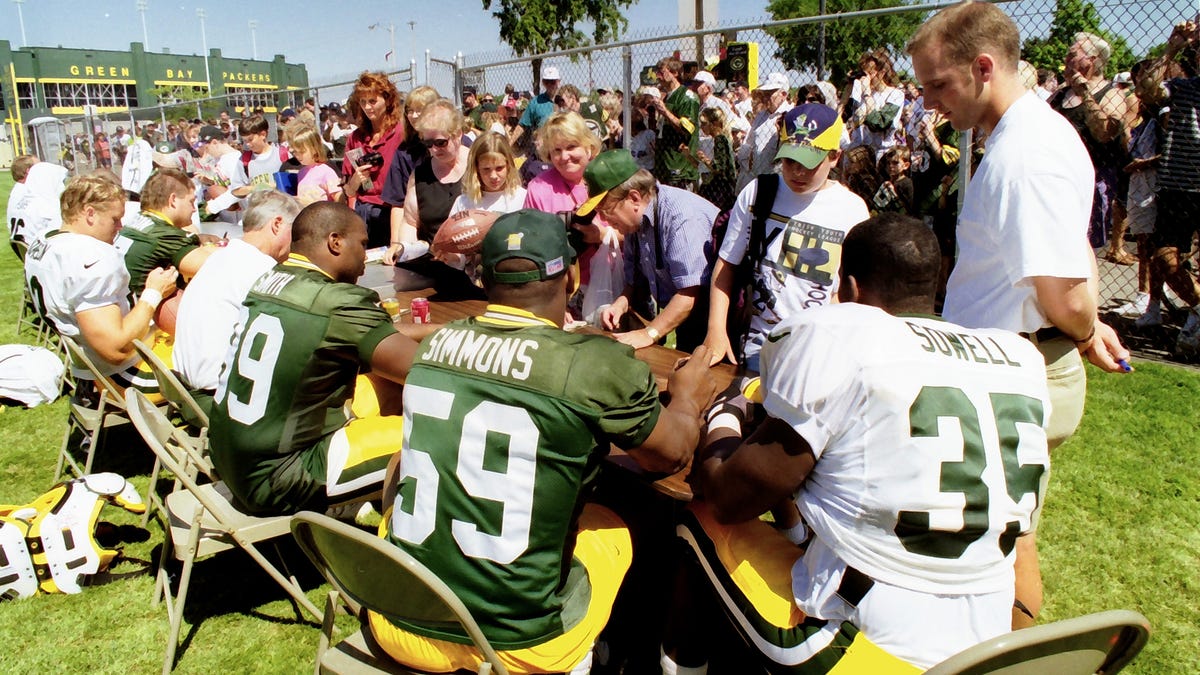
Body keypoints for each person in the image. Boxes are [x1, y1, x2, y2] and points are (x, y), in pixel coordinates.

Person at [667, 214, 1051, 672]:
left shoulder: (841, 333)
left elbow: (729, 496)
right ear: (937, 282)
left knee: (698, 521)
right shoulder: (1018, 358)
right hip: (984, 641)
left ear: (847, 288)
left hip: (870, 638)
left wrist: (725, 416)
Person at [369, 208, 718, 675]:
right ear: (571, 277)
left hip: (397, 621)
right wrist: (689, 396)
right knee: (627, 521)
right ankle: (622, 655)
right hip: (517, 645)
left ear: (483, 278)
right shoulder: (592, 364)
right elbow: (671, 453)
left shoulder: (432, 349)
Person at [908, 0, 1132, 630]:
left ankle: (1017, 653)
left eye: (938, 85)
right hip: (1012, 359)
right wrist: (1084, 324)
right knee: (993, 532)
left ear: (983, 67)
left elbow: (1059, 288)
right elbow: (1072, 255)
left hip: (1017, 368)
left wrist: (1082, 325)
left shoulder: (1027, 152)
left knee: (1004, 538)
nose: (929, 103)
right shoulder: (1017, 136)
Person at [208, 202, 425, 516]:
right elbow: (424, 372)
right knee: (436, 433)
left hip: (234, 455)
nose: (366, 257)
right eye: (363, 244)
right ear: (335, 242)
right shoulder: (335, 300)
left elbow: (364, 332)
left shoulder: (271, 280)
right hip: (282, 474)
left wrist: (444, 328)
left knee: (384, 387)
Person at [703, 103, 870, 372]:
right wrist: (716, 331)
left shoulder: (851, 209)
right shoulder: (758, 192)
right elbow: (726, 264)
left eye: (809, 163)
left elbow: (852, 290)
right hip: (761, 341)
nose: (797, 172)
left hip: (819, 347)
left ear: (835, 156)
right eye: (790, 160)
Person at [23, 175, 177, 391]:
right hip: (124, 376)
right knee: (211, 357)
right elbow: (116, 350)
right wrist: (153, 293)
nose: (120, 227)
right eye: (115, 219)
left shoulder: (45, 240)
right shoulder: (91, 255)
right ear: (90, 213)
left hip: (88, 371)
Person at [576, 149, 717, 351]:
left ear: (634, 198)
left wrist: (649, 333)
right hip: (687, 318)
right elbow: (635, 280)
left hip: (717, 321)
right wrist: (620, 304)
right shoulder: (637, 223)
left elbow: (690, 293)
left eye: (606, 211)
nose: (604, 220)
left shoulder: (683, 218)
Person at [174, 191, 300, 411]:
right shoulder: (259, 270)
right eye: (295, 232)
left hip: (188, 394)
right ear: (277, 224)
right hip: (221, 399)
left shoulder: (220, 258)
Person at [1133, 17, 1200, 350]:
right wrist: (1171, 48)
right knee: (1164, 258)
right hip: (1179, 187)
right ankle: (1199, 310)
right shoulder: (1184, 87)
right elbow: (1145, 89)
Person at [384, 99, 480, 297]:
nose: (435, 149)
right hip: (437, 269)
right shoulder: (420, 175)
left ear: (458, 135)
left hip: (477, 270)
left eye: (441, 142)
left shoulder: (478, 165)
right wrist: (407, 250)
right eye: (429, 143)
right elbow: (410, 221)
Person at [1049, 33, 1131, 256]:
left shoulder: (1112, 93)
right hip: (1055, 179)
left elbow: (1105, 133)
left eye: (1073, 54)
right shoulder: (1059, 94)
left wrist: (1084, 93)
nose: (1066, 58)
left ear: (1092, 59)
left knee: (1081, 253)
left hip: (1091, 181)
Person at [116, 168, 211, 296]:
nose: (194, 209)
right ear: (173, 200)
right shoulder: (163, 235)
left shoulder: (140, 219)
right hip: (143, 310)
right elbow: (216, 264)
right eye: (191, 201)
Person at [342, 71, 406, 247]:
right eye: (363, 102)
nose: (368, 107)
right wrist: (355, 181)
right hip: (363, 213)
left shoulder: (401, 134)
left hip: (393, 213)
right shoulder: (355, 138)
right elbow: (348, 190)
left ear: (387, 100)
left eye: (373, 101)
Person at [649, 57, 700, 190]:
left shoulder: (687, 97)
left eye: (662, 72)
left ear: (675, 73)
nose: (658, 76)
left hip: (679, 167)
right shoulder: (666, 96)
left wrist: (665, 112)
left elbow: (687, 128)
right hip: (663, 164)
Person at [845, 50, 907, 159]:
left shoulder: (895, 94)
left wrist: (867, 94)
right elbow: (843, 117)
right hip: (858, 151)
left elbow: (879, 124)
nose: (866, 77)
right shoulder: (862, 92)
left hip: (881, 153)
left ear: (882, 73)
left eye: (869, 73)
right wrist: (847, 91)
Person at [449, 132, 527, 214]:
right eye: (486, 169)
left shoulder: (522, 198)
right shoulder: (463, 203)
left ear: (508, 165)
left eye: (499, 168)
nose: (493, 176)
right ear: (476, 168)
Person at [195, 124, 251, 239]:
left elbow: (238, 190)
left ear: (215, 142)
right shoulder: (221, 159)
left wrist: (213, 206)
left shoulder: (233, 160)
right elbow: (225, 182)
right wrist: (209, 181)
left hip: (241, 216)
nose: (207, 152)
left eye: (207, 148)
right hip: (230, 218)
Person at [745, 72, 793, 182]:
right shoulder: (761, 115)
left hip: (779, 178)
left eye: (770, 93)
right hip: (758, 176)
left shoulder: (790, 115)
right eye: (764, 93)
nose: (765, 97)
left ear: (783, 94)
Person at [287, 122, 343, 205]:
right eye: (295, 152)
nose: (298, 156)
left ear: (314, 149)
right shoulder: (301, 173)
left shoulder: (326, 171)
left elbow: (339, 199)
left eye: (302, 152)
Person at [694, 107, 738, 211]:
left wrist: (704, 159)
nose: (701, 127)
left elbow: (718, 168)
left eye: (704, 124)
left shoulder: (720, 139)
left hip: (722, 188)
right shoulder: (720, 138)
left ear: (714, 124)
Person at [510, 65, 561, 152]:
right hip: (543, 148)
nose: (549, 85)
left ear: (558, 82)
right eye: (546, 82)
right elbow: (522, 124)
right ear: (543, 82)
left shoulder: (565, 99)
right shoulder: (536, 102)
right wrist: (509, 144)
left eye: (552, 82)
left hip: (561, 145)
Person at [238, 114, 290, 189]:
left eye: (250, 139)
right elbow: (238, 188)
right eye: (244, 140)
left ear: (263, 134)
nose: (248, 144)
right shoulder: (244, 161)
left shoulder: (282, 155)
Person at [6, 154, 38, 243]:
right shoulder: (29, 192)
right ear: (29, 171)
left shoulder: (17, 191)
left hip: (25, 245)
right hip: (34, 246)